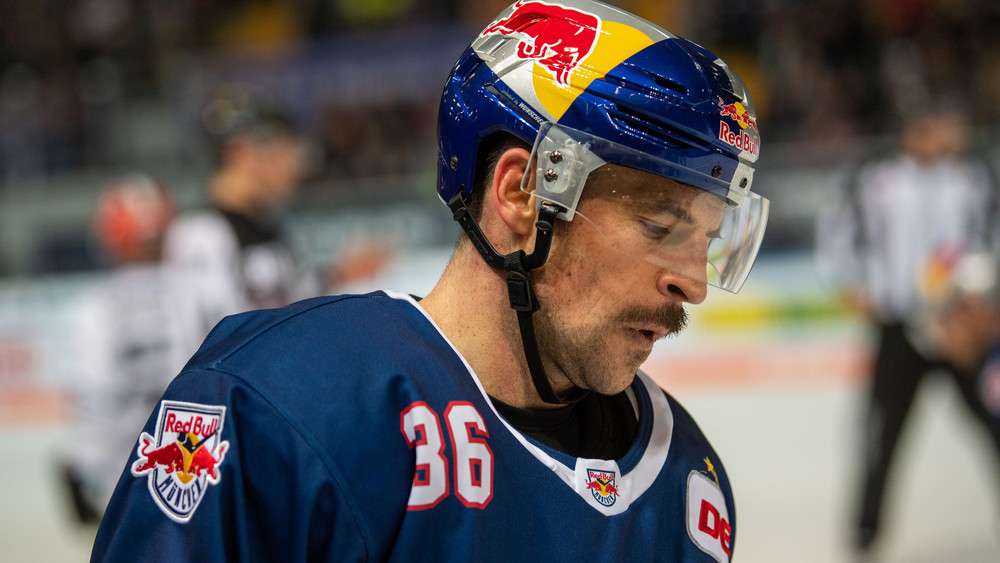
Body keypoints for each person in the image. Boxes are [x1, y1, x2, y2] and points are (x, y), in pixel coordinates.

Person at [91, 1, 769, 560]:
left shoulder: (686, 481)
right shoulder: (277, 408)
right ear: (523, 194)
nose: (693, 284)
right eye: (659, 227)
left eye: (706, 240)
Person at [816, 104, 1000, 553]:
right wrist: (850, 284)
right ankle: (866, 533)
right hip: (899, 327)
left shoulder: (971, 180)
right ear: (915, 130)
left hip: (963, 329)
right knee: (882, 433)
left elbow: (991, 237)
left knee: (994, 423)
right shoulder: (876, 182)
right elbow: (839, 231)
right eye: (938, 126)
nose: (948, 134)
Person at [61, 175, 201, 525]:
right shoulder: (197, 291)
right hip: (199, 464)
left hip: (126, 477)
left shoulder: (92, 307)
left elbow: (94, 398)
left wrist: (81, 462)